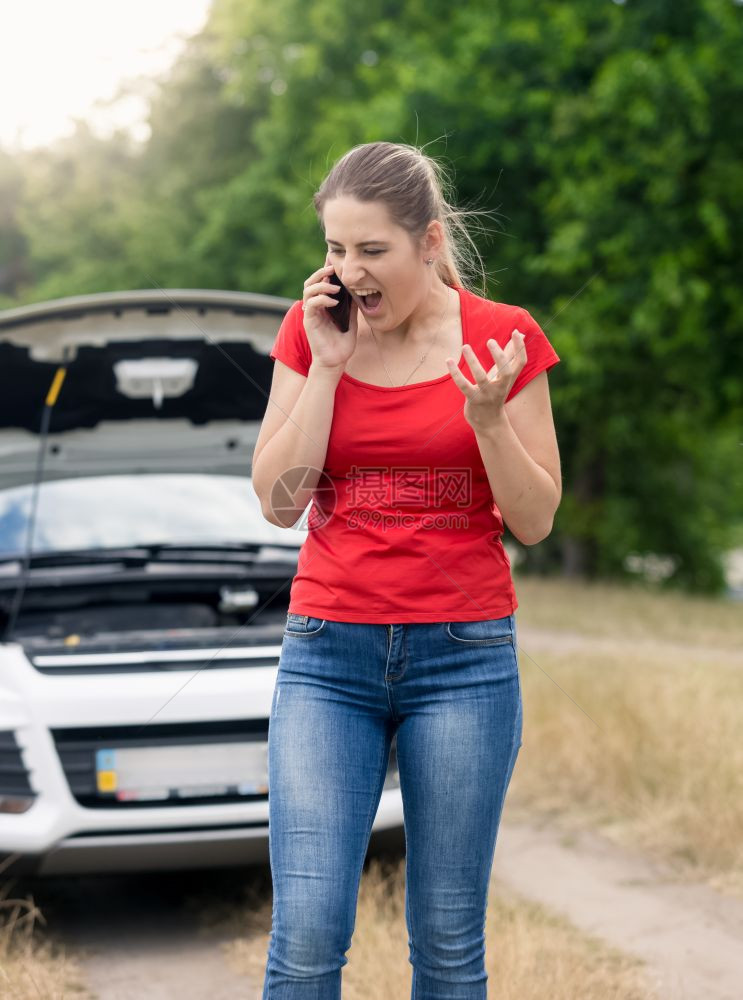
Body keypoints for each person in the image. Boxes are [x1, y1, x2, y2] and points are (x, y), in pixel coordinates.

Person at [251, 140, 562, 999]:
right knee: (308, 932)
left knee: (448, 936)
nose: (348, 274)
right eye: (334, 250)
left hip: (462, 660)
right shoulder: (312, 329)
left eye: (371, 250)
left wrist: (489, 420)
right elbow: (279, 501)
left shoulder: (506, 337)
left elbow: (534, 522)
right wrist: (326, 368)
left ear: (428, 241)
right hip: (327, 657)